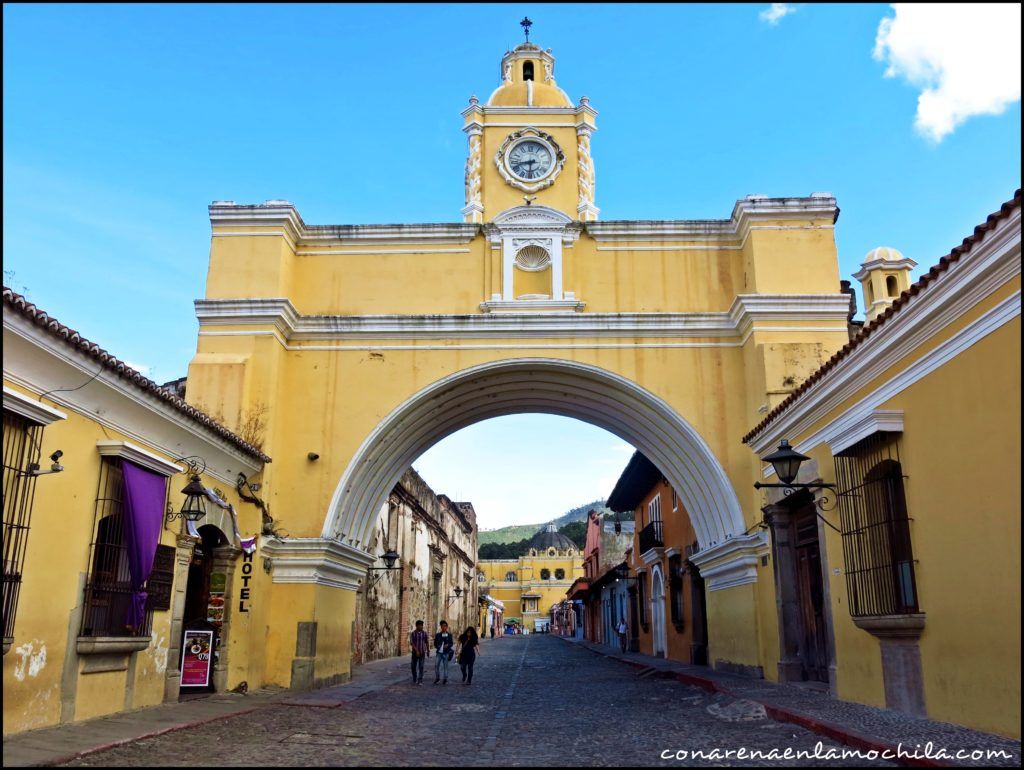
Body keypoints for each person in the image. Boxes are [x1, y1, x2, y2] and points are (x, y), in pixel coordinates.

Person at [433, 620, 455, 685]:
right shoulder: (438, 635)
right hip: (439, 653)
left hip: (446, 652)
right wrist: (438, 646)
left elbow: (451, 643)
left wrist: (448, 645)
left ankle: (445, 678)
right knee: (436, 665)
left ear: (447, 627)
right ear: (441, 627)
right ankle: (437, 677)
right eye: (442, 626)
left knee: (445, 666)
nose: (444, 627)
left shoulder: (449, 635)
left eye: (445, 626)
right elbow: (435, 644)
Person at [409, 620, 429, 685]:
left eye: (422, 625)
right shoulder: (413, 633)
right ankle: (414, 677)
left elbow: (426, 642)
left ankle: (420, 680)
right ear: (416, 626)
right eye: (420, 625)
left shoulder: (424, 633)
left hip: (422, 652)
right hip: (415, 653)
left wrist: (428, 650)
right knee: (413, 666)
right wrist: (416, 650)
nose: (421, 627)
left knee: (421, 666)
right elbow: (412, 643)